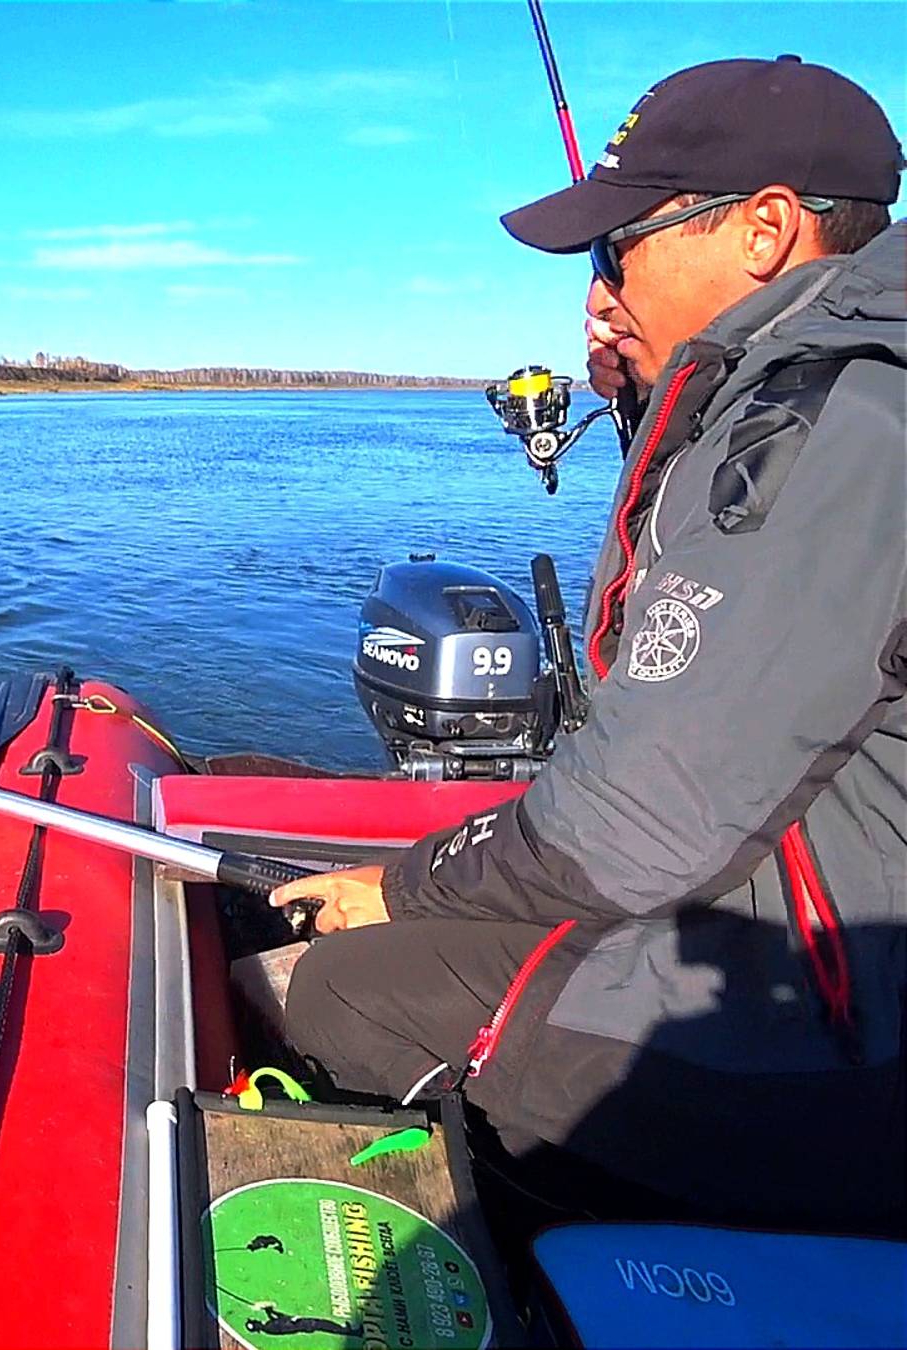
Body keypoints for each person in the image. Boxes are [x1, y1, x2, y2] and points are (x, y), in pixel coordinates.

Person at [268, 56, 906, 1233]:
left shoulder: (838, 422)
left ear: (765, 229)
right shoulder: (835, 390)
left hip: (846, 1035)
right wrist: (663, 400)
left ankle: (551, 1240)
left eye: (622, 246)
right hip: (794, 898)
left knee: (336, 993)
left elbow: (637, 825)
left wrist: (403, 891)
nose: (597, 292)